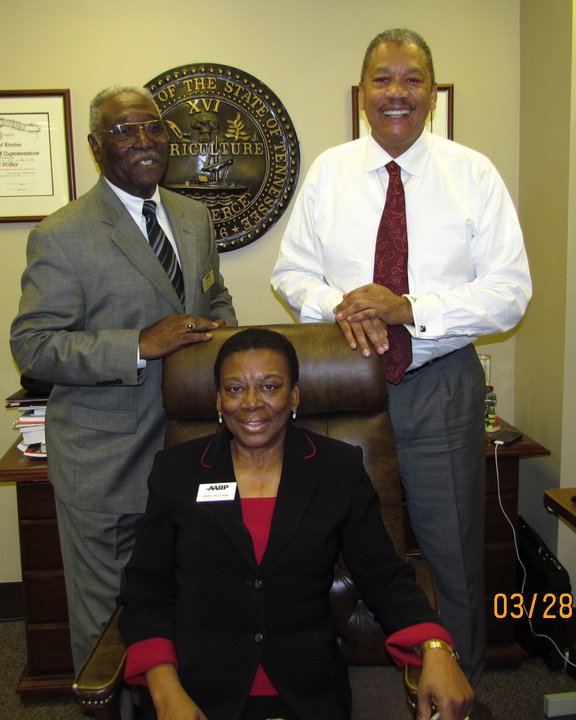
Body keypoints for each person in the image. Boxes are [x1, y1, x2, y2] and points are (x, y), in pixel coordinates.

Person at [271, 28, 532, 686]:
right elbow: (292, 274)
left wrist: (409, 307)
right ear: (363, 94)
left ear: (432, 94)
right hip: (343, 388)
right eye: (382, 79)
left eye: (412, 79)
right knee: (337, 549)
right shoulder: (330, 172)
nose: (397, 92)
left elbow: (510, 292)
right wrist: (343, 307)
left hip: (440, 384)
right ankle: (347, 690)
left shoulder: (473, 174)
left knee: (451, 557)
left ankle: (459, 690)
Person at [118, 327, 474, 720]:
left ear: (295, 396)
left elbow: (384, 575)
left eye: (270, 386)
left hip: (306, 695)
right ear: (218, 399)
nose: (252, 403)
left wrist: (435, 647)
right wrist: (167, 692)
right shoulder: (177, 471)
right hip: (194, 694)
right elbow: (145, 589)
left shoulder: (337, 468)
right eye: (235, 389)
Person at [10, 86, 237, 673]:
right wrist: (138, 344)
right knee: (110, 621)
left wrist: (222, 342)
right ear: (95, 146)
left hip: (191, 452)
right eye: (123, 130)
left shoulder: (192, 216)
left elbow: (214, 297)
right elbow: (33, 348)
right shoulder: (61, 234)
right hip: (105, 463)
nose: (143, 140)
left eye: (153, 127)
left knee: (186, 602)